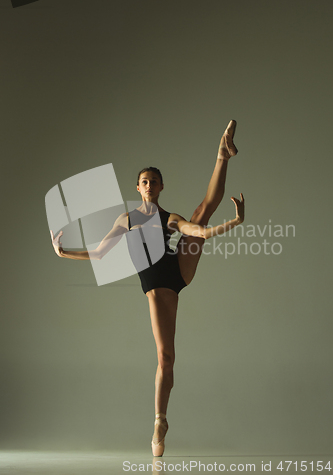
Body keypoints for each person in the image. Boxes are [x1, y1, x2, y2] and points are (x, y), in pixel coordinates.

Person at [50, 120, 245, 456]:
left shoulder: (169, 217)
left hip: (177, 272)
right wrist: (64, 251)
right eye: (144, 181)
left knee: (199, 215)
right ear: (138, 187)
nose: (150, 185)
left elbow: (197, 232)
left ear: (161, 186)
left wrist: (235, 222)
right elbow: (99, 253)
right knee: (166, 357)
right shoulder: (126, 221)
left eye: (154, 181)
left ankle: (222, 155)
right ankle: (160, 421)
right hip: (156, 286)